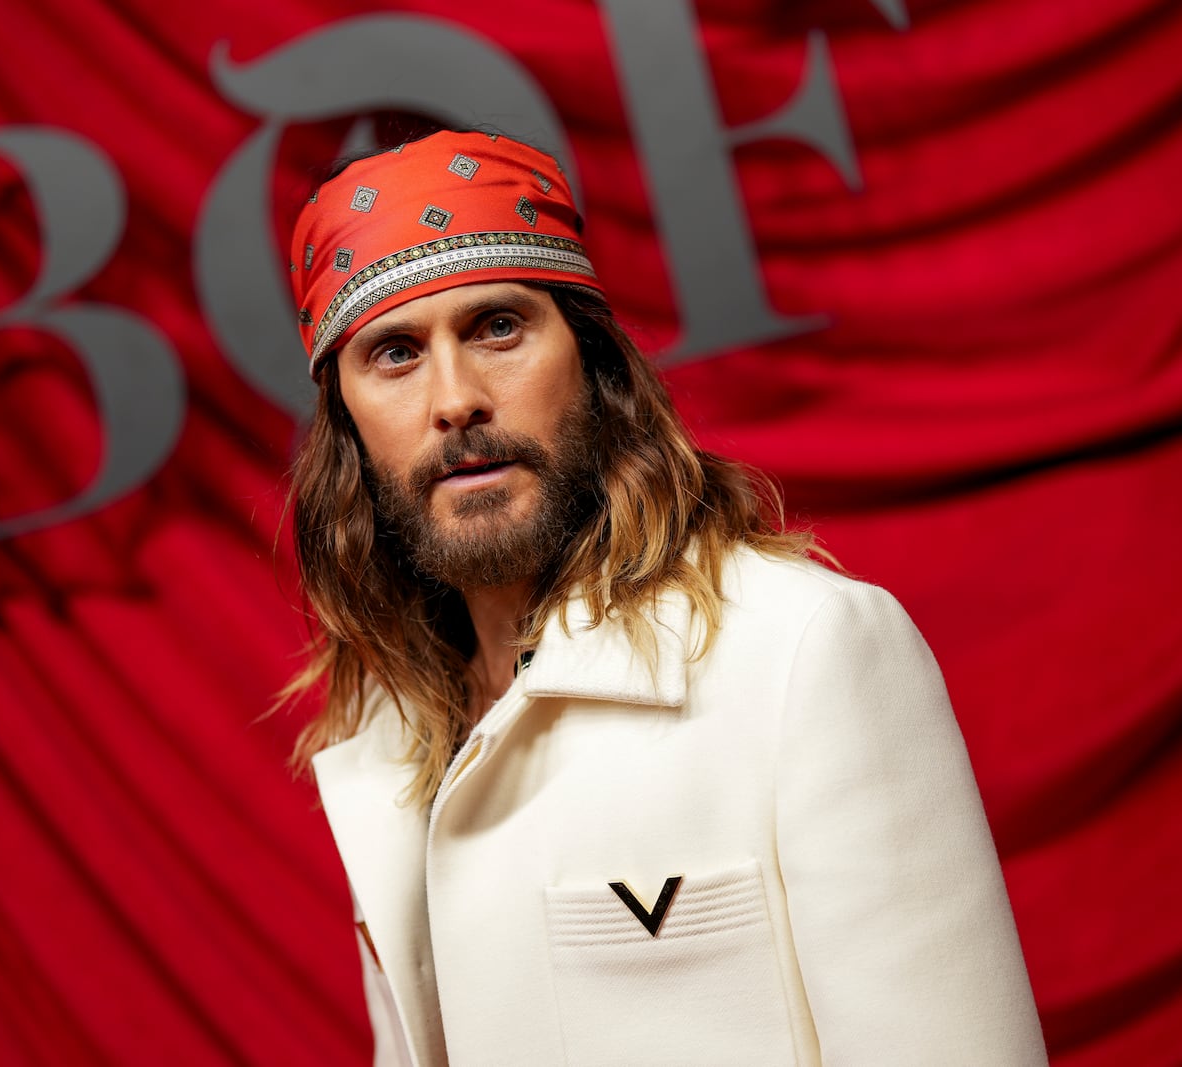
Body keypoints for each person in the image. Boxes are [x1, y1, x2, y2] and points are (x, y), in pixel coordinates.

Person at [281, 129, 1047, 1066]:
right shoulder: (388, 737)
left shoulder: (801, 649)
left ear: (595, 365)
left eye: (498, 327)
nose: (456, 399)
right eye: (395, 352)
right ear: (347, 426)